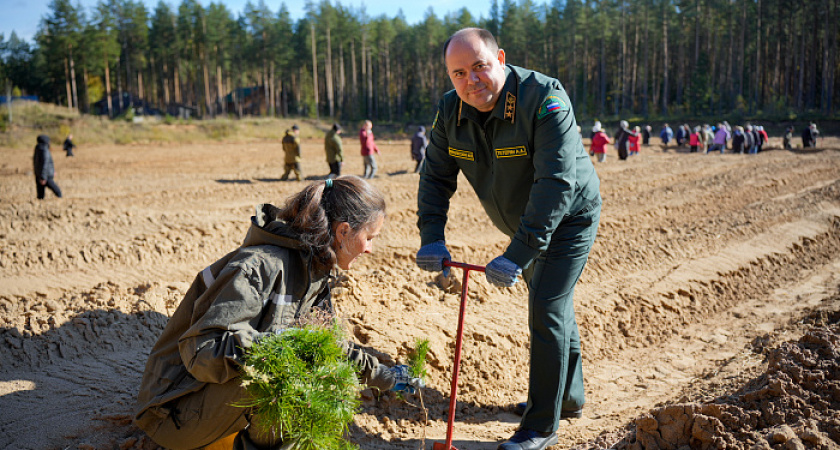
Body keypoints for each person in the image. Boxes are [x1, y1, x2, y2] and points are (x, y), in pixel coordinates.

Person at [134, 176, 424, 450]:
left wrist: (387, 376)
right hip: (173, 411)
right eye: (370, 237)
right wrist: (280, 344)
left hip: (217, 401)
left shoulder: (314, 271)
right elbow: (202, 351)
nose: (370, 249)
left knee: (324, 378)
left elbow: (328, 348)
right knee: (286, 379)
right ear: (344, 231)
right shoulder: (258, 267)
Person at [415, 28, 601, 450]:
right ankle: (568, 399)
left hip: (568, 218)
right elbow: (435, 177)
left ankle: (540, 426)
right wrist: (432, 237)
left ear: (500, 58)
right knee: (552, 302)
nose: (471, 81)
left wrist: (518, 254)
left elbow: (556, 183)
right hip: (524, 223)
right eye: (458, 73)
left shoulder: (544, 99)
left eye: (479, 66)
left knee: (546, 307)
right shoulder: (450, 111)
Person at [33, 134, 63, 200]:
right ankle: (61, 199)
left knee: (40, 196)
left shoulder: (38, 148)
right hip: (46, 175)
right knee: (58, 192)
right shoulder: (44, 150)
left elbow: (37, 164)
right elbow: (45, 163)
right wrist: (43, 177)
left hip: (39, 174)